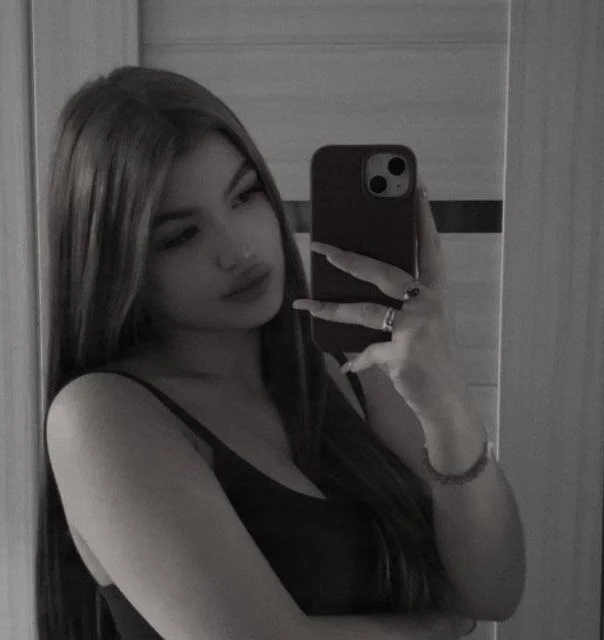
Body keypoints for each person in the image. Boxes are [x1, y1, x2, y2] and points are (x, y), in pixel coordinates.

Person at [36, 66, 525, 640]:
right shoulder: (101, 414)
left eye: (245, 195)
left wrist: (446, 404)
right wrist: (439, 625)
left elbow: (492, 591)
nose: (237, 248)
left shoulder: (352, 368)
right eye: (181, 235)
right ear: (117, 263)